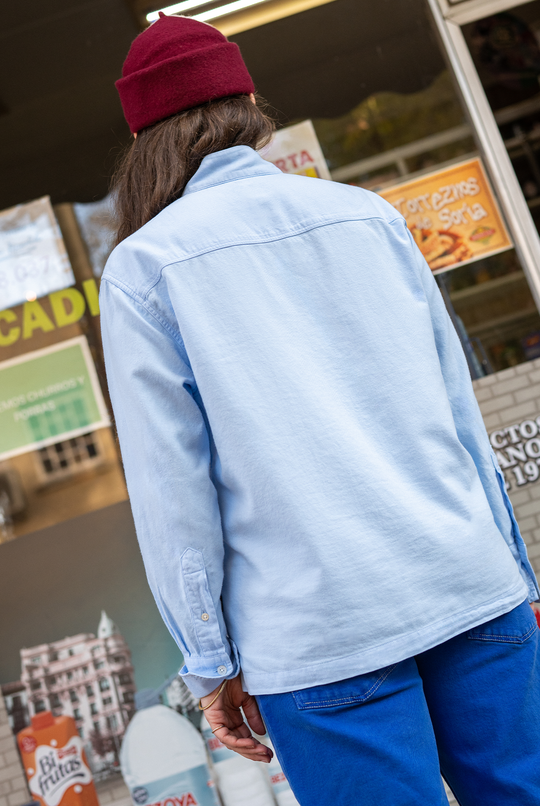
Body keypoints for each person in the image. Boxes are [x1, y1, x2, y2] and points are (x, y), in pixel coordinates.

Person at [101, 13, 540, 805]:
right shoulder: (368, 215)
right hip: (471, 582)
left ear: (141, 140)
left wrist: (209, 662)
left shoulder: (144, 271)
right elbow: (458, 410)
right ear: (250, 105)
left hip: (321, 633)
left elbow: (174, 496)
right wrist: (513, 564)